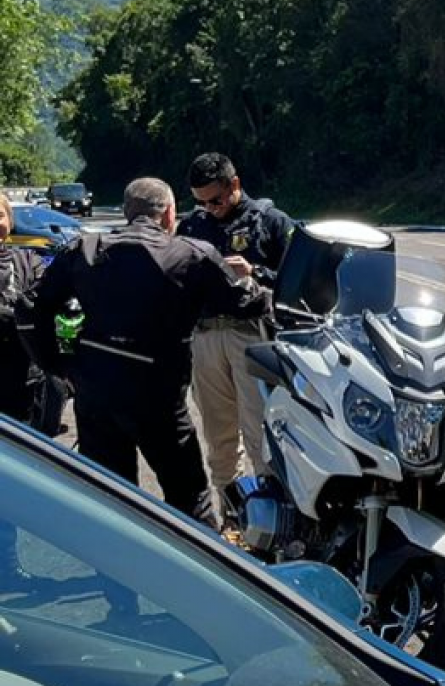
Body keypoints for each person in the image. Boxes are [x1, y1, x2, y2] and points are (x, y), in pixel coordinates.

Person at [29, 177, 267, 527]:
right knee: (189, 498)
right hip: (158, 394)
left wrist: (58, 366)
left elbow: (33, 307)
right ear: (169, 213)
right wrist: (263, 286)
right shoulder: (192, 254)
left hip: (96, 390)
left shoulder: (84, 248)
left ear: (127, 212)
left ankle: (117, 577)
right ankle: (201, 574)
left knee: (110, 499)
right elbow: (246, 303)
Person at [176, 152, 294, 503]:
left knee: (260, 429)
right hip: (206, 335)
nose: (210, 208)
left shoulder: (271, 222)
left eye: (216, 199)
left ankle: (273, 513)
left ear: (235, 185)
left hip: (253, 334)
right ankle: (232, 510)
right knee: (218, 433)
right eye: (201, 202)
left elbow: (299, 282)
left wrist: (255, 272)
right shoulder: (192, 227)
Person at [0, 195, 44, 427]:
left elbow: (42, 305)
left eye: (0, 215)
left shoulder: (28, 259)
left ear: (10, 221)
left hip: (24, 380)